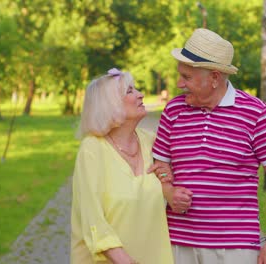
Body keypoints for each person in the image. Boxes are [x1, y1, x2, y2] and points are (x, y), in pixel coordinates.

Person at [148, 28, 266, 264]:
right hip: (177, 244)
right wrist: (168, 191)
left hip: (235, 249)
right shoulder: (173, 111)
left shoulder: (255, 112)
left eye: (187, 77)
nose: (179, 83)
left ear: (214, 77)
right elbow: (160, 164)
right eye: (180, 74)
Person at [70, 68, 192, 264]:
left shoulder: (151, 142)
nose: (140, 94)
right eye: (129, 91)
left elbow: (172, 180)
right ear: (109, 105)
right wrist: (124, 260)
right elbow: (91, 216)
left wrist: (166, 179)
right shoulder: (92, 149)